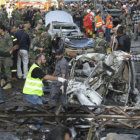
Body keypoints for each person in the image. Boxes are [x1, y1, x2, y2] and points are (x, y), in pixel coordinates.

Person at [0, 24, 17, 89]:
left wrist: (6, 53)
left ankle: (9, 83)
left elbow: (10, 47)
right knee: (1, 69)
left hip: (7, 56)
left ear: (1, 29)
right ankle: (3, 80)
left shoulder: (7, 36)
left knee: (7, 69)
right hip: (1, 55)